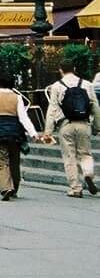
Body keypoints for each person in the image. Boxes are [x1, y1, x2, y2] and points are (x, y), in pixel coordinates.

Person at [0, 71, 41, 201]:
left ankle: (6, 187)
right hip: (14, 133)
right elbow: (23, 117)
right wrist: (33, 133)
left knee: (1, 162)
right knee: (14, 162)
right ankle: (14, 188)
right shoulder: (17, 97)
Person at [42, 60, 98, 198]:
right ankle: (88, 173)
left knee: (69, 156)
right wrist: (97, 125)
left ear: (61, 70)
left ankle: (75, 188)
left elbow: (52, 109)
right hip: (84, 124)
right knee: (85, 153)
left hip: (65, 125)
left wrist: (47, 132)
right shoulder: (87, 84)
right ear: (74, 68)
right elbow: (95, 107)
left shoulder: (56, 86)